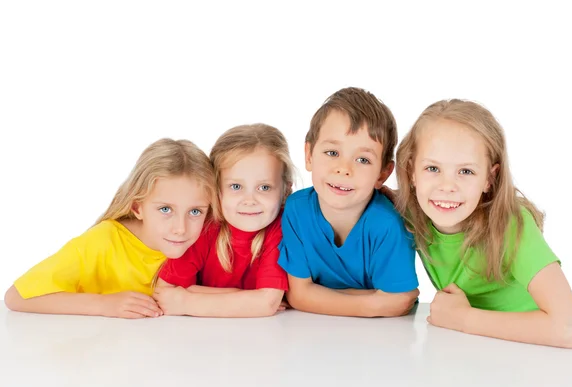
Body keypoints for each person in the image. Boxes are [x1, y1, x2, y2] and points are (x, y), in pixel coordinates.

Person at [394, 98, 572, 348]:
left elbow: (569, 329)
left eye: (466, 171)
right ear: (411, 171)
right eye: (432, 168)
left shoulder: (511, 225)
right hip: (471, 348)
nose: (447, 186)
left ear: (489, 179)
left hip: (531, 352)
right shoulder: (410, 210)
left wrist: (463, 318)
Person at [4, 138, 216, 319]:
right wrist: (103, 305)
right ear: (137, 207)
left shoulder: (208, 242)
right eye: (165, 209)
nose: (180, 228)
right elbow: (16, 297)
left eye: (195, 212)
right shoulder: (103, 241)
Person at [277, 87, 419, 317]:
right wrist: (375, 302)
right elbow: (297, 294)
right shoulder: (296, 210)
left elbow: (400, 301)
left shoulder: (388, 225)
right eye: (332, 152)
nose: (344, 169)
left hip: (379, 339)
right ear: (309, 155)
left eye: (363, 159)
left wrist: (317, 296)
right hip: (308, 334)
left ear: (382, 174)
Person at [154, 124, 293, 318]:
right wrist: (248, 299)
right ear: (217, 189)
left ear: (285, 190)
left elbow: (267, 303)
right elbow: (166, 290)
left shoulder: (282, 227)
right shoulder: (205, 225)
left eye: (264, 187)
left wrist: (186, 300)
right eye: (236, 186)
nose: (249, 200)